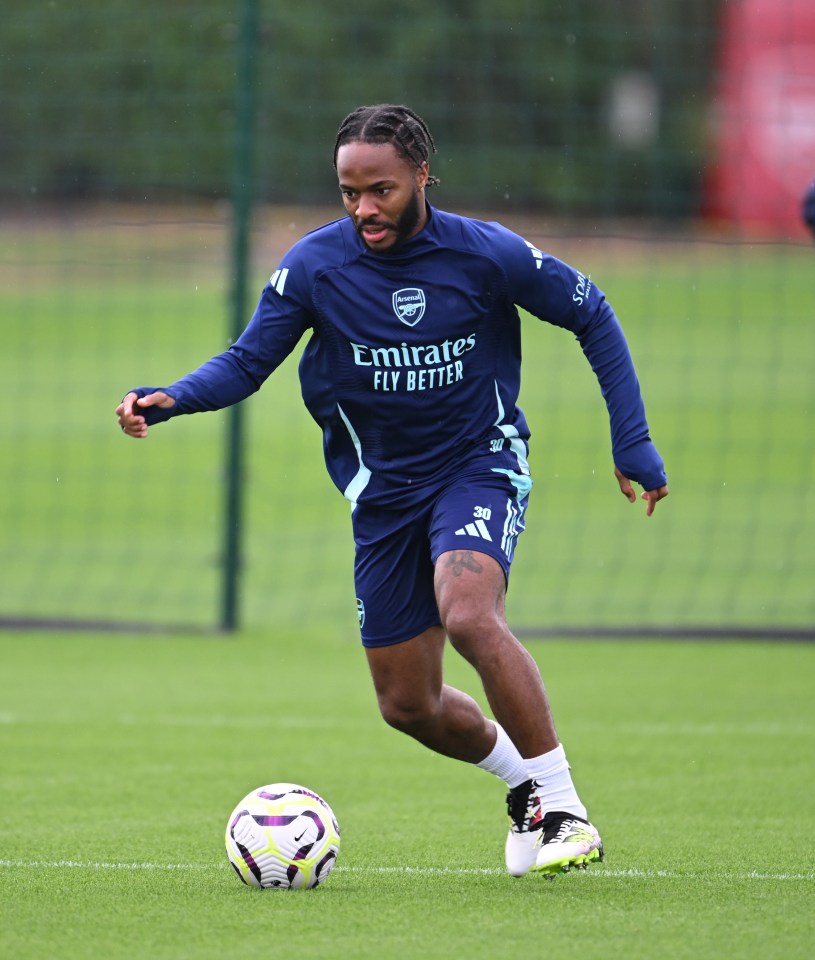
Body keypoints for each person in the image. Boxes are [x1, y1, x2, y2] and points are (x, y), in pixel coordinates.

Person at [116, 104, 668, 879]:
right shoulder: (314, 267)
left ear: (419, 176)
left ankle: (565, 808)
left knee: (469, 612)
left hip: (479, 463)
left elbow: (591, 313)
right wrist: (170, 398)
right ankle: (522, 790)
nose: (364, 209)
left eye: (380, 190)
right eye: (348, 193)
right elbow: (247, 363)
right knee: (406, 706)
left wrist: (631, 440)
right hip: (382, 494)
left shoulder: (485, 255)